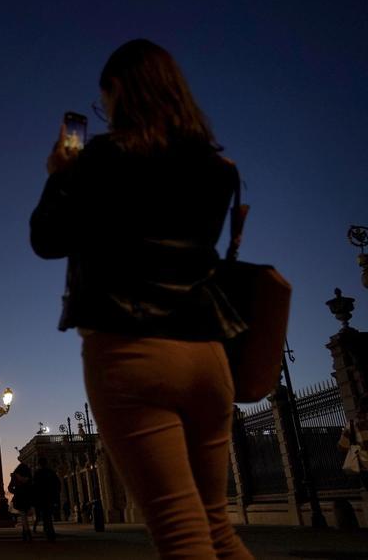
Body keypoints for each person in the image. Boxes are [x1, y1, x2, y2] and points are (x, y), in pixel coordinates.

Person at [31, 38, 253, 560]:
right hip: (206, 355)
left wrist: (59, 176)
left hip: (132, 351)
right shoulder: (219, 170)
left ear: (119, 94)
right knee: (217, 527)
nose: (102, 110)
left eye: (104, 99)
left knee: (180, 533)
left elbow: (47, 239)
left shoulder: (101, 158)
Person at [33, 459, 60, 541]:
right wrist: (56, 495)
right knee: (48, 515)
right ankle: (50, 531)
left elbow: (35, 486)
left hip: (42, 497)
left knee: (45, 515)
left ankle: (48, 531)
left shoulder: (37, 473)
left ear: (39, 465)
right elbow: (58, 484)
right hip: (51, 496)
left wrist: (35, 498)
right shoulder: (51, 472)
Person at [8, 464, 34, 541]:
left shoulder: (15, 476)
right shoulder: (29, 476)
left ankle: (27, 532)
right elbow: (32, 486)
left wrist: (16, 491)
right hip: (27, 497)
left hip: (19, 497)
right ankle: (25, 532)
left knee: (23, 515)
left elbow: (10, 488)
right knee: (24, 515)